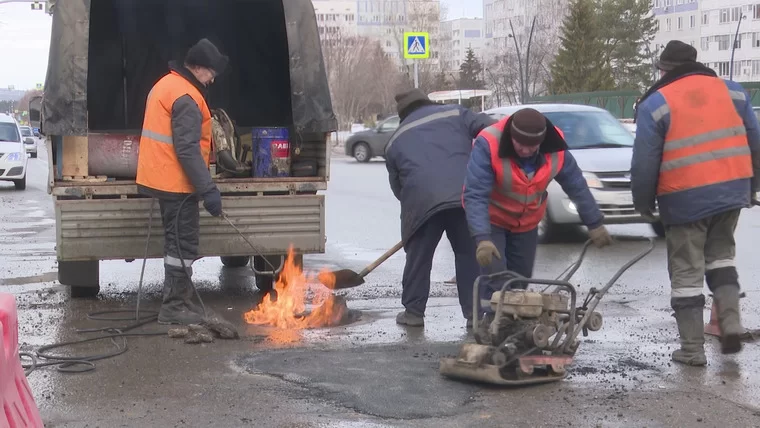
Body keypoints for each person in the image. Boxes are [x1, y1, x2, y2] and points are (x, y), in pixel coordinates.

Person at [631, 40, 760, 365]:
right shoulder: (734, 92)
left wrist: (643, 203)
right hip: (732, 190)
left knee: (687, 272)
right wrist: (752, 187)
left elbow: (645, 161)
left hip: (684, 197)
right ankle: (730, 323)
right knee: (721, 257)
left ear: (663, 69)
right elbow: (755, 141)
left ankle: (692, 350)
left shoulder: (654, 103)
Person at [463, 107, 613, 323]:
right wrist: (482, 238)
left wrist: (594, 223)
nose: (525, 150)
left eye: (532, 146)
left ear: (542, 141)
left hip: (527, 222)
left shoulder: (556, 150)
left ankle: (513, 326)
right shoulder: (489, 144)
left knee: (520, 281)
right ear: (511, 137)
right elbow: (475, 193)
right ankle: (487, 323)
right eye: (520, 144)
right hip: (492, 220)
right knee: (496, 279)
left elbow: (576, 186)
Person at [385, 89, 496, 328]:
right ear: (428, 101)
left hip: (421, 203)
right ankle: (474, 315)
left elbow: (398, 188)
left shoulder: (394, 140)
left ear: (402, 114)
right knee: (468, 256)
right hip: (464, 196)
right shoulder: (457, 113)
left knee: (419, 258)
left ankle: (414, 313)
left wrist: (416, 210)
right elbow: (491, 128)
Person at [136, 38, 228, 325]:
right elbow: (187, 150)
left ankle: (179, 301)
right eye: (212, 73)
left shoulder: (167, 84)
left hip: (162, 178)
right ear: (199, 68)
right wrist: (208, 190)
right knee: (183, 247)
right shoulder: (186, 97)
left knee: (176, 244)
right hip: (175, 183)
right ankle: (174, 306)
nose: (212, 79)